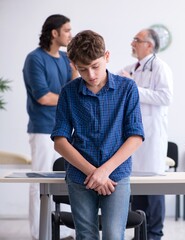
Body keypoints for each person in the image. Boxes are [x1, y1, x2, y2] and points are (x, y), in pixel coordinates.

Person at [51, 29, 144, 240]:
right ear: (73, 65)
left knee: (113, 235)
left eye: (95, 66)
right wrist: (94, 173)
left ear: (107, 57)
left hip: (116, 176)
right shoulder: (68, 92)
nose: (91, 75)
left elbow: (135, 136)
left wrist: (104, 172)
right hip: (79, 176)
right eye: (83, 69)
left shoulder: (127, 88)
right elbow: (60, 141)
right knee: (86, 235)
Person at [23, 14, 77, 240]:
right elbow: (44, 97)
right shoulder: (35, 59)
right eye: (66, 30)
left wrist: (74, 64)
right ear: (54, 33)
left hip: (65, 129)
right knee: (40, 182)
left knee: (63, 182)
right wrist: (68, 97)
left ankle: (60, 230)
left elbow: (75, 86)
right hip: (43, 128)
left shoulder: (66, 58)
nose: (70, 35)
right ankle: (39, 233)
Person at [118, 28, 173, 240]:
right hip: (134, 135)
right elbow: (113, 79)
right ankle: (140, 234)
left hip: (152, 136)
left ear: (148, 45)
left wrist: (133, 86)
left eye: (136, 40)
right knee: (137, 186)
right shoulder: (133, 67)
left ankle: (155, 234)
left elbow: (166, 97)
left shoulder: (160, 67)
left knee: (154, 188)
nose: (132, 43)